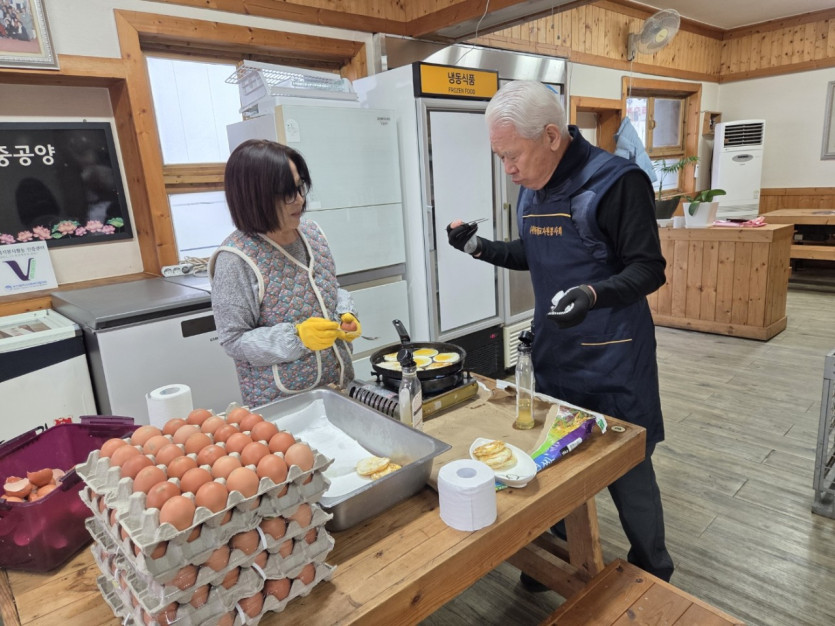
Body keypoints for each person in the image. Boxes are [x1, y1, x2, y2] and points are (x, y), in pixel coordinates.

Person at [446, 80, 674, 584]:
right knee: (552, 461)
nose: (508, 169)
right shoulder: (532, 187)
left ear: (551, 136)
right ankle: (554, 560)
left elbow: (648, 268)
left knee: (628, 470)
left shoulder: (617, 182)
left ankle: (653, 570)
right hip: (555, 351)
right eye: (500, 157)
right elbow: (533, 253)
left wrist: (592, 294)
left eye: (512, 156)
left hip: (614, 357)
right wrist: (478, 247)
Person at [210, 139, 360, 408]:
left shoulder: (313, 234)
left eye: (300, 187)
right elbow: (233, 341)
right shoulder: (236, 259)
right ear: (254, 197)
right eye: (287, 193)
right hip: (283, 404)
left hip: (338, 387)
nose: (299, 200)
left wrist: (345, 314)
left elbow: (330, 290)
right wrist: (297, 337)